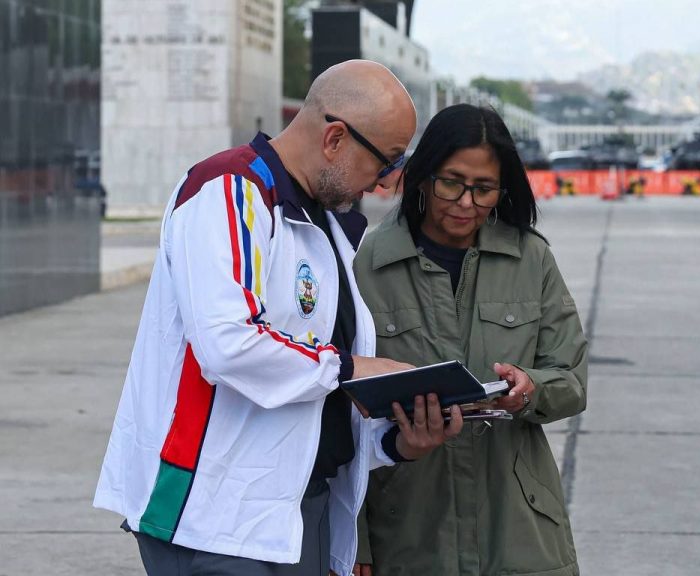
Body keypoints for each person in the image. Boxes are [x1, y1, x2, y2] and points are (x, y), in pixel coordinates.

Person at [94, 60, 463, 576]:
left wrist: (396, 439)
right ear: (335, 138)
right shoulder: (230, 189)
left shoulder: (324, 222)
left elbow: (315, 391)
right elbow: (229, 342)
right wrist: (353, 367)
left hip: (295, 509)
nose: (384, 185)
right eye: (385, 163)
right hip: (214, 517)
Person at [353, 104, 588, 576]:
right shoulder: (368, 263)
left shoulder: (531, 258)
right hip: (407, 526)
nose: (465, 203)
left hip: (517, 526)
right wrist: (356, 541)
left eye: (483, 189)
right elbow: (338, 416)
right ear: (423, 177)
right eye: (452, 183)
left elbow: (572, 380)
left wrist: (530, 390)